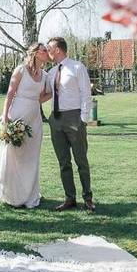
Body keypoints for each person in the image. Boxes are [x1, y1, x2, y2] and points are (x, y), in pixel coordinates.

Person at [0, 43, 50, 209]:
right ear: (35, 53)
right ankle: (12, 195)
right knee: (14, 156)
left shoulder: (45, 75)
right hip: (17, 116)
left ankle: (29, 195)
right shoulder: (20, 70)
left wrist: (35, 101)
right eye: (44, 50)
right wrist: (5, 117)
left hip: (34, 119)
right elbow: (10, 94)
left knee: (31, 157)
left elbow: (44, 95)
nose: (47, 53)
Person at [45, 37, 95, 212]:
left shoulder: (77, 67)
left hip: (75, 118)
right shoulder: (51, 73)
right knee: (63, 162)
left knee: (81, 160)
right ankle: (69, 198)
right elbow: (44, 93)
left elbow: (86, 94)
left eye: (49, 48)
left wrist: (83, 119)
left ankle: (88, 198)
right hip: (56, 120)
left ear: (58, 49)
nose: (47, 51)